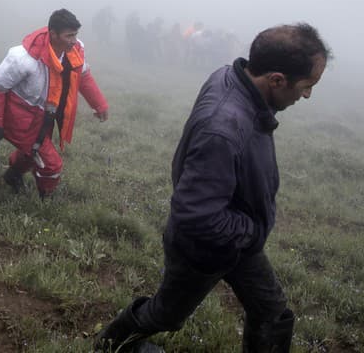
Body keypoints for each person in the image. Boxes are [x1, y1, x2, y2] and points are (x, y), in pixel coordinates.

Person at [95, 23, 331, 353]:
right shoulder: (224, 128)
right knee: (167, 314)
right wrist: (250, 232)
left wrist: (247, 234)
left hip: (236, 238)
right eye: (307, 86)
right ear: (276, 79)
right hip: (204, 248)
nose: (306, 95)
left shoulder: (233, 78)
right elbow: (196, 215)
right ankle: (112, 344)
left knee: (272, 312)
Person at [0, 9, 109, 198]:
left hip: (45, 117)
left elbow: (82, 76)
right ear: (53, 34)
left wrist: (99, 104)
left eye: (75, 35)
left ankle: (13, 175)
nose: (74, 40)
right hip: (21, 117)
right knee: (52, 164)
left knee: (32, 151)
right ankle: (46, 198)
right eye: (69, 36)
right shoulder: (23, 58)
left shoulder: (74, 51)